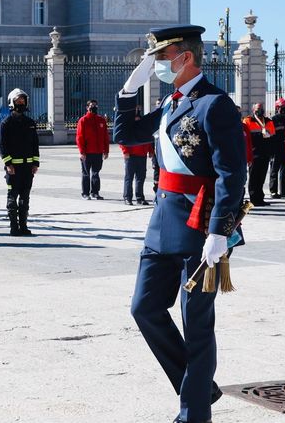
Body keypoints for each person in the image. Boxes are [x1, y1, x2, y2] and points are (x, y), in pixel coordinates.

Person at [115, 25, 246, 423]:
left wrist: (220, 231)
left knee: (197, 326)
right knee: (144, 309)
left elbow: (231, 175)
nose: (156, 64)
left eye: (160, 57)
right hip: (162, 225)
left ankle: (194, 413)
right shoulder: (171, 103)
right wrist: (128, 90)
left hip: (199, 226)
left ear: (185, 57)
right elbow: (125, 134)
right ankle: (200, 387)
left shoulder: (215, 104)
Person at [0, 89, 40, 236]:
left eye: (23, 101)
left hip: (27, 167)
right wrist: (8, 164)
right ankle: (13, 227)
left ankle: (23, 226)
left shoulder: (30, 123)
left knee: (25, 198)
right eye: (18, 101)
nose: (21, 103)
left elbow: (35, 144)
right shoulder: (6, 123)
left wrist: (35, 163)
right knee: (12, 197)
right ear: (12, 103)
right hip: (13, 168)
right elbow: (2, 146)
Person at [241, 102, 275, 206]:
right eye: (257, 109)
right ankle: (253, 198)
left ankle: (260, 198)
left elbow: (273, 137)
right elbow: (246, 138)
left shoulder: (269, 121)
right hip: (254, 153)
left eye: (261, 109)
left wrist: (271, 151)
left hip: (265, 153)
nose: (260, 111)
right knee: (253, 177)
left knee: (262, 177)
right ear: (253, 110)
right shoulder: (248, 120)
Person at [76, 99, 110, 200]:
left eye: (95, 105)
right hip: (87, 153)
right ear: (87, 107)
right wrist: (82, 152)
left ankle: (95, 192)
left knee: (96, 173)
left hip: (98, 152)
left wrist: (106, 151)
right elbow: (79, 137)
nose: (94, 107)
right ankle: (85, 193)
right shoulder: (83, 120)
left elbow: (105, 137)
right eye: (91, 105)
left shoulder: (101, 120)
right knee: (86, 173)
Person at [269, 98, 285, 198]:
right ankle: (273, 191)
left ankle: (284, 191)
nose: (284, 109)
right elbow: (270, 136)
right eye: (282, 107)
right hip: (276, 148)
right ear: (277, 108)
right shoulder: (273, 120)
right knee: (274, 170)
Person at [120, 138, 154, 206]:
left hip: (142, 154)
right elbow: (122, 138)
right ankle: (127, 197)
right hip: (130, 154)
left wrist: (151, 150)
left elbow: (148, 138)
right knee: (129, 177)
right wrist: (125, 151)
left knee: (141, 177)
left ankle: (140, 198)